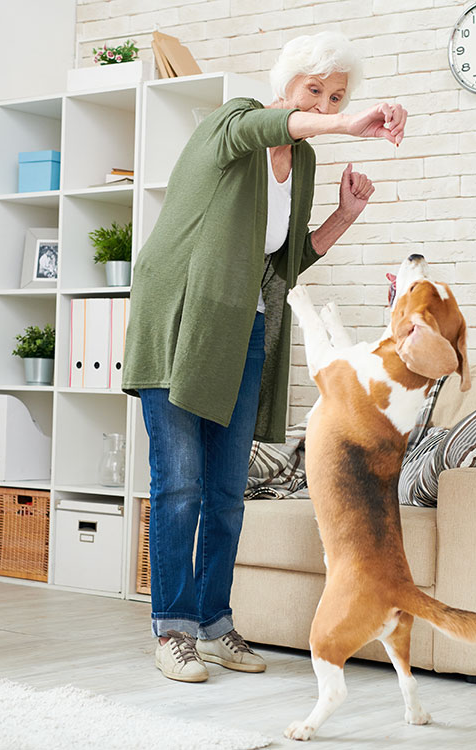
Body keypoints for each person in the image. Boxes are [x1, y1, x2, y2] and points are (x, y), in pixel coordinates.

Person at [121, 31, 407, 683]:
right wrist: (344, 123)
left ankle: (214, 625)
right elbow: (267, 125)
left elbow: (286, 261)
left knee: (225, 493)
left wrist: (345, 215)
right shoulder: (235, 122)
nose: (327, 102)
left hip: (246, 329)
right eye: (316, 91)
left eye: (338, 95)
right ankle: (173, 631)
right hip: (181, 321)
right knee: (181, 485)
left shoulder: (300, 163)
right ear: (287, 88)